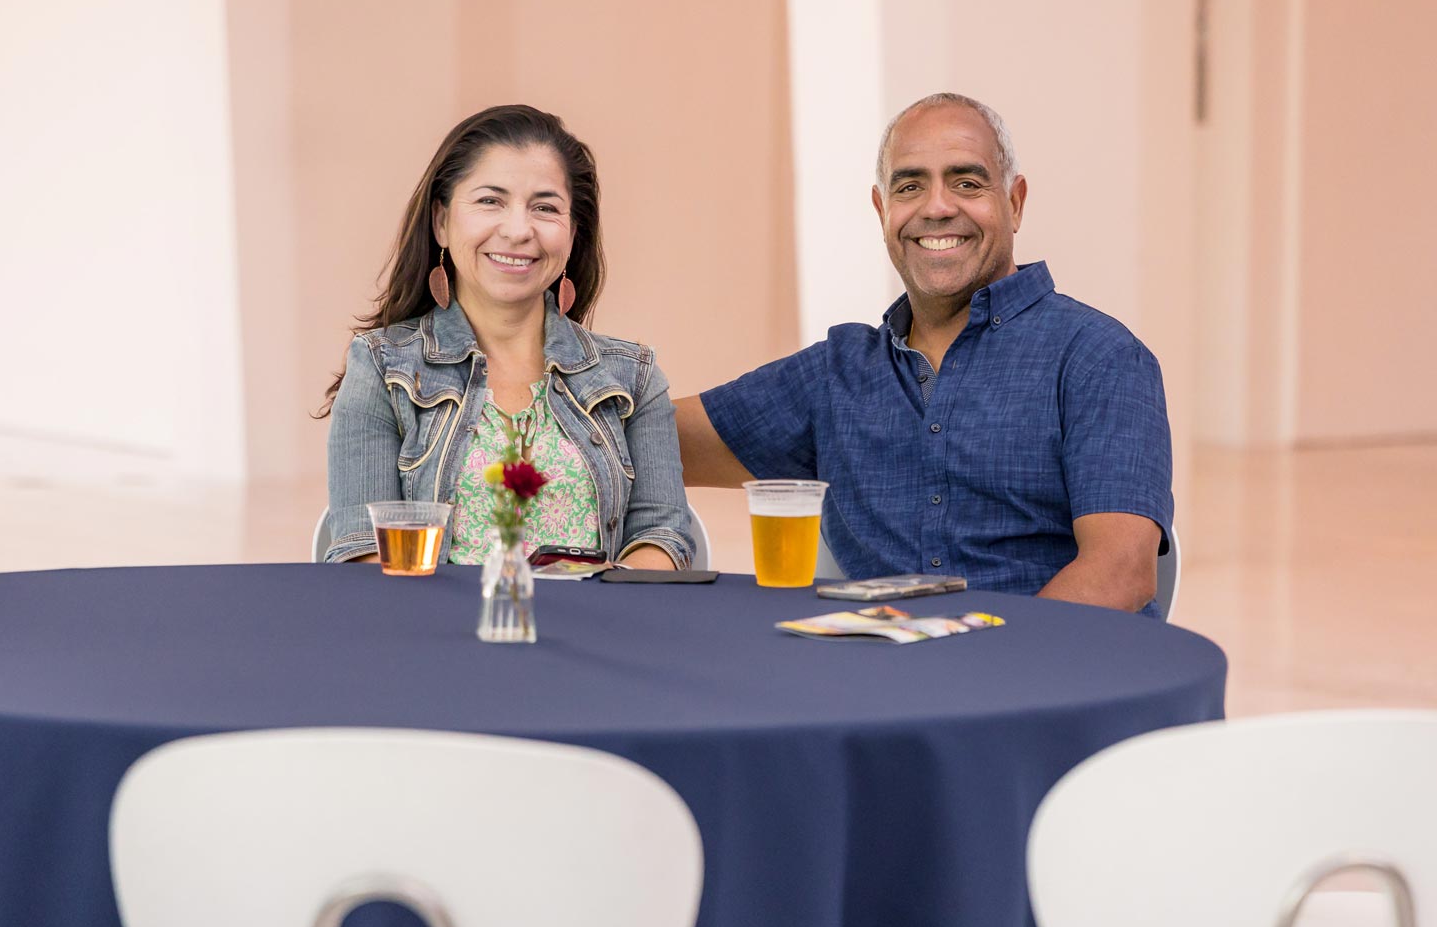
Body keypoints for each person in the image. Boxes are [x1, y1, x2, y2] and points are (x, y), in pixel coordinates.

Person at [674, 92, 1171, 614]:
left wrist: (981, 670)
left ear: (1015, 202)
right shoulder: (837, 374)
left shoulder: (1100, 358)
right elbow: (646, 443)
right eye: (910, 186)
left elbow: (1121, 572)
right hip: (890, 678)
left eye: (967, 183)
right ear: (882, 209)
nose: (936, 207)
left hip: (1050, 679)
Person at [321, 104, 693, 569]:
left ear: (573, 233)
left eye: (545, 208)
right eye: (490, 201)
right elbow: (361, 553)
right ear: (441, 221)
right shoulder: (381, 366)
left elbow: (663, 534)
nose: (518, 230)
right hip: (433, 635)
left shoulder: (632, 376)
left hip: (594, 631)